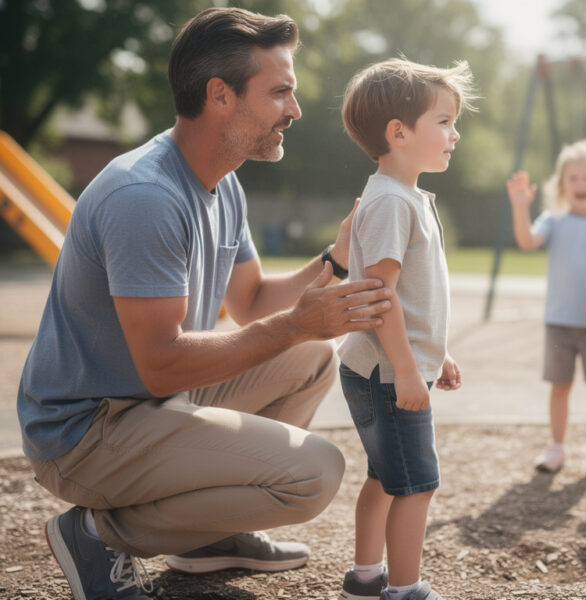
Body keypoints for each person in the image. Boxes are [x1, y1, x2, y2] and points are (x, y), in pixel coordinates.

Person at [17, 8, 393, 600]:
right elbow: (161, 363)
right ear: (220, 95)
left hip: (152, 402)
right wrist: (296, 324)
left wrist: (335, 258)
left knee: (312, 358)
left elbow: (250, 304)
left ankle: (204, 537)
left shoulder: (223, 182)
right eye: (280, 93)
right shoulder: (146, 196)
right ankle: (96, 532)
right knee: (313, 476)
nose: (293, 110)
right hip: (85, 432)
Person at [335, 58, 474, 600]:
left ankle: (366, 578)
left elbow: (411, 300)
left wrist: (441, 352)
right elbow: (381, 299)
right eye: (443, 122)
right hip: (389, 375)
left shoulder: (400, 195)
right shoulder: (393, 202)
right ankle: (406, 589)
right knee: (417, 486)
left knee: (385, 477)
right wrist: (410, 371)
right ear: (399, 132)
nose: (454, 134)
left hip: (379, 367)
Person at [506, 139, 586, 475]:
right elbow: (526, 242)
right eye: (573, 178)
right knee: (559, 387)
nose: (580, 184)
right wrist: (520, 207)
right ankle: (557, 448)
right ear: (562, 184)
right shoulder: (554, 220)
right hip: (559, 321)